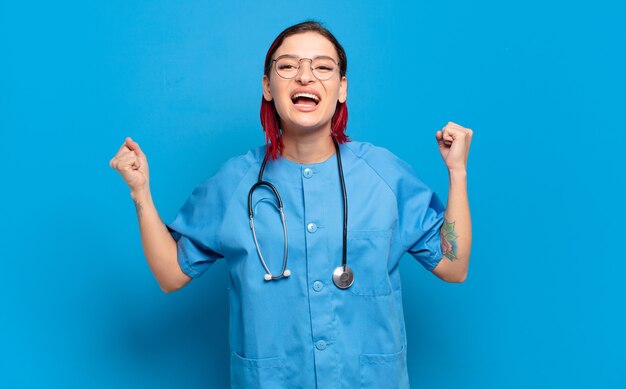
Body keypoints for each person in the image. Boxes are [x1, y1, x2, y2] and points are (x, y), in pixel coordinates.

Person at [110, 20, 473, 389]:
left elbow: (453, 265)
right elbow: (171, 274)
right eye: (287, 66)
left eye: (323, 67)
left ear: (342, 87)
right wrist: (141, 193)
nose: (305, 77)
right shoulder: (234, 183)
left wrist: (456, 172)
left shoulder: (384, 175)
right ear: (268, 86)